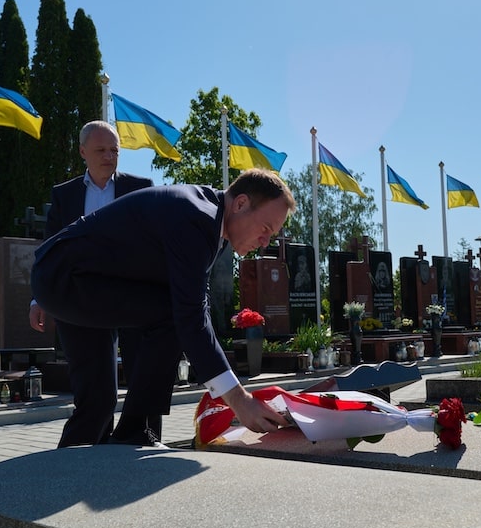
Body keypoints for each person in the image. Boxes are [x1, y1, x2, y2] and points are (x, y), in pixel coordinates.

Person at [31, 168, 296, 442]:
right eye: (265, 229)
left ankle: (105, 449)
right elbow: (191, 317)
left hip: (82, 276)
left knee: (98, 400)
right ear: (240, 203)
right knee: (172, 315)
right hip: (66, 277)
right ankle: (135, 433)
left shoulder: (210, 219)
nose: (265, 243)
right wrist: (239, 400)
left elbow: (194, 308)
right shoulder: (197, 217)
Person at [29, 121, 152, 447]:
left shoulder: (141, 188)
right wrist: (38, 299)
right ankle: (69, 463)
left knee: (146, 385)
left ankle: (137, 453)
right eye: (101, 150)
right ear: (83, 152)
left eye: (114, 150)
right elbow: (51, 250)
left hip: (132, 299)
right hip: (83, 302)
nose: (109, 156)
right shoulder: (65, 195)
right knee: (97, 395)